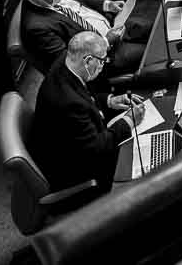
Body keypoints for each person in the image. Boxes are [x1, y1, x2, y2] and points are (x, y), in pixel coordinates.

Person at [27, 30, 147, 201]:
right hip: (76, 171)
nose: (103, 65)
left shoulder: (67, 62)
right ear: (88, 60)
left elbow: (86, 95)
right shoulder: (67, 103)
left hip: (74, 142)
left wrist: (110, 101)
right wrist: (129, 120)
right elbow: (96, 149)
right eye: (102, 61)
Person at [19, 0, 153, 82]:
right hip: (104, 55)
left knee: (157, 28)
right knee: (153, 51)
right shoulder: (37, 28)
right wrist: (106, 42)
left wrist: (107, 5)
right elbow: (69, 62)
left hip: (114, 23)